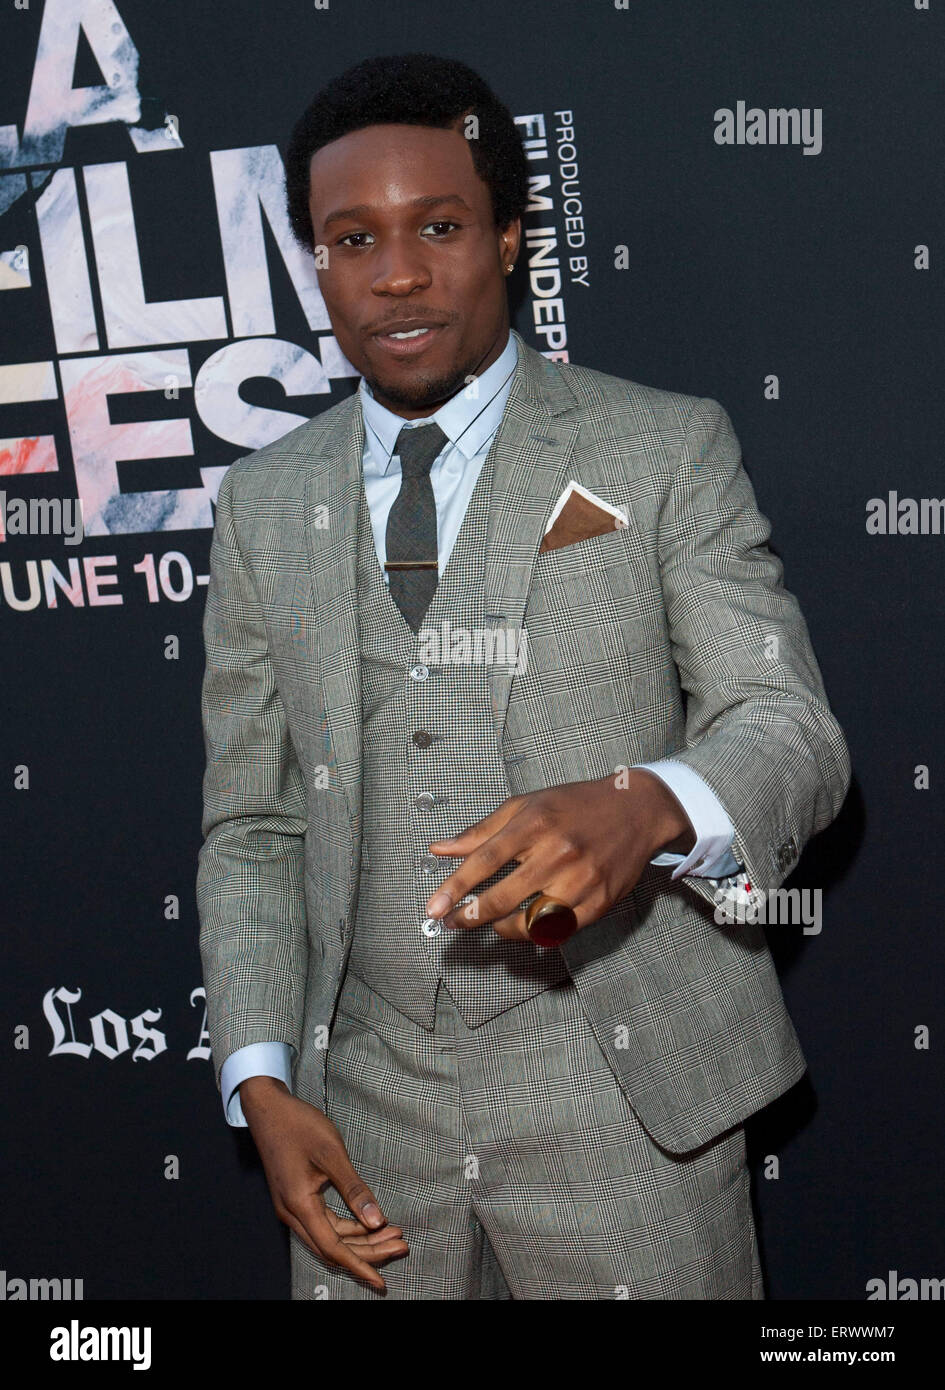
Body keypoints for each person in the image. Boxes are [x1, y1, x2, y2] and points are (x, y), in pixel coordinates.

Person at [196, 51, 850, 1300]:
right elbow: (254, 824)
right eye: (351, 238)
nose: (395, 272)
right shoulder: (262, 506)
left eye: (438, 226)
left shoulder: (661, 445)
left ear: (508, 235)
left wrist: (650, 801)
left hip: (622, 1088)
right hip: (364, 1108)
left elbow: (787, 725)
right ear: (316, 262)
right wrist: (263, 1080)